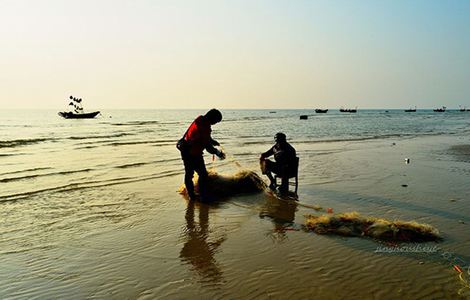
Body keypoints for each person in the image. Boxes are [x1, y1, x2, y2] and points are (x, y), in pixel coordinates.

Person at [178, 109, 225, 201]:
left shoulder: (200, 119)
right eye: (216, 121)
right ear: (212, 118)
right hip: (191, 153)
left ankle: (193, 195)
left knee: (190, 174)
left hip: (187, 150)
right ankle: (201, 196)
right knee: (202, 175)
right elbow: (208, 147)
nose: (215, 123)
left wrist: (212, 141)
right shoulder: (205, 126)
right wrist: (218, 153)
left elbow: (205, 137)